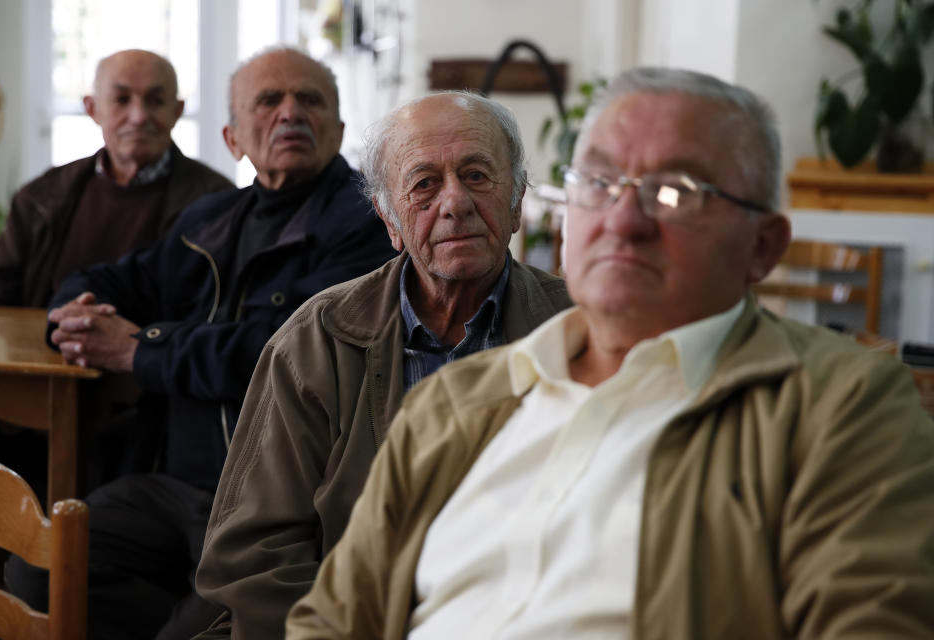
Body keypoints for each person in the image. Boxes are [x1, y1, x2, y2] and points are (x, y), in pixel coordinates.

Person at [286, 68, 934, 639]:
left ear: (763, 247)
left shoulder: (841, 404)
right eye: (599, 181)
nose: (624, 220)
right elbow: (334, 621)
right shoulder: (451, 404)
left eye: (676, 190)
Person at [7, 46, 396, 640]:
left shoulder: (367, 223)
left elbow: (281, 352)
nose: (289, 112)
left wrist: (142, 349)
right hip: (176, 484)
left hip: (282, 498)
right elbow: (116, 277)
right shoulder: (209, 218)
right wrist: (73, 312)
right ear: (233, 136)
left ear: (339, 129)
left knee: (198, 623)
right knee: (37, 575)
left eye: (309, 99)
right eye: (268, 100)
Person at [193, 91, 572, 639]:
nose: (455, 203)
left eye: (477, 175)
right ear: (389, 219)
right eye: (423, 184)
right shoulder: (317, 340)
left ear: (516, 202)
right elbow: (255, 555)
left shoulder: (582, 333)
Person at [0, 49, 233, 307]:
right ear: (92, 108)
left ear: (177, 111)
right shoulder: (40, 196)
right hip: (37, 345)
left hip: (153, 347)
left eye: (155, 101)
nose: (139, 117)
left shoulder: (218, 202)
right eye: (121, 99)